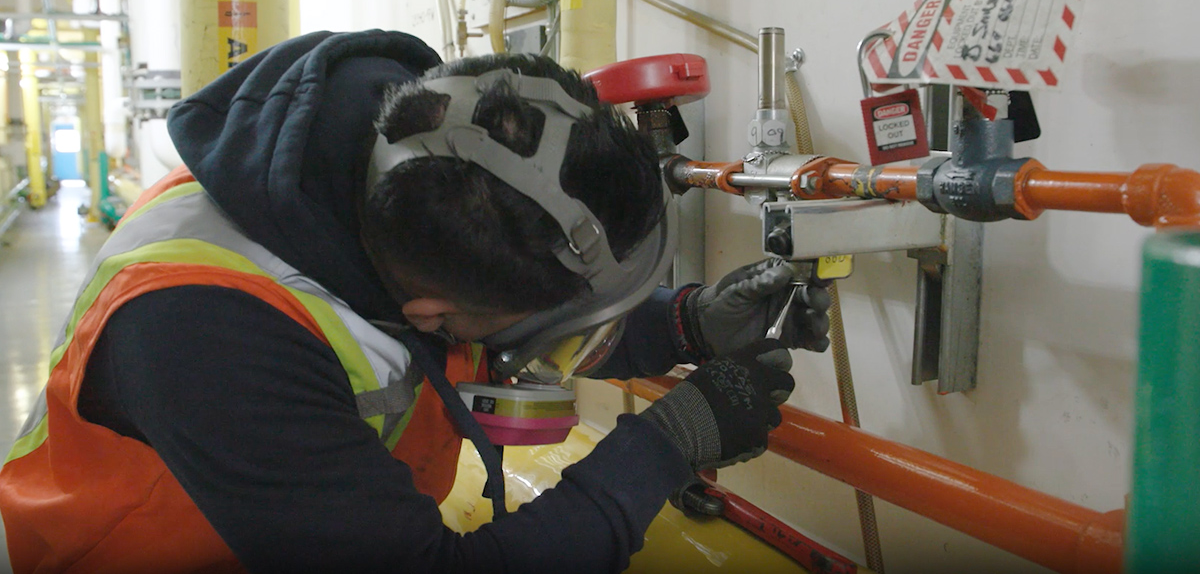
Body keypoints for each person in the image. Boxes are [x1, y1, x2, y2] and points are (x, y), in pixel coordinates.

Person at [0, 29, 830, 574]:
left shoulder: (422, 159)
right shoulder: (207, 338)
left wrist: (685, 323)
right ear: (430, 314)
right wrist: (668, 445)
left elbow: (516, 300)